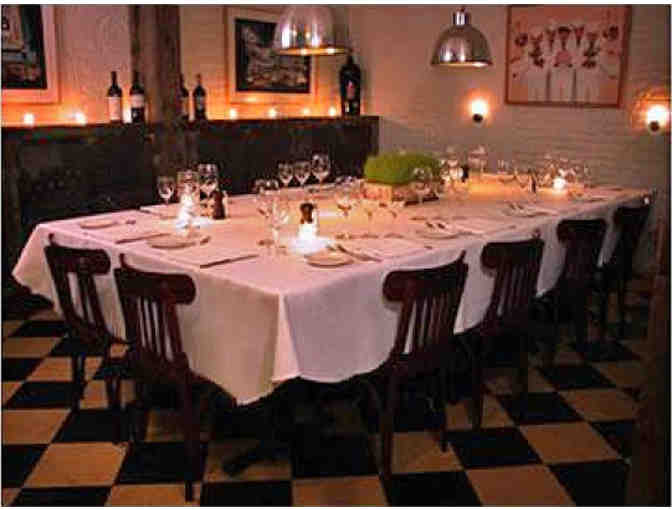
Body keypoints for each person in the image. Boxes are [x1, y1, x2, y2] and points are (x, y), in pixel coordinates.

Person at [550, 24, 574, 102]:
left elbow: (576, 58)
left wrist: (570, 62)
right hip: (556, 72)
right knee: (554, 95)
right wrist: (556, 61)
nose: (564, 36)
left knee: (567, 95)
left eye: (566, 34)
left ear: (568, 35)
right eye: (562, 34)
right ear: (559, 35)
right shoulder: (554, 44)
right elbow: (550, 57)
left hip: (568, 72)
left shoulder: (573, 45)